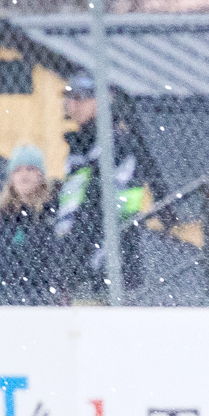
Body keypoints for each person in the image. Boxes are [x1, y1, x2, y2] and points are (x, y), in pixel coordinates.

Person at [53, 73, 146, 303]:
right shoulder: (82, 145)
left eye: (80, 97)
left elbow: (98, 209)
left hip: (106, 263)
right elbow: (75, 206)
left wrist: (74, 262)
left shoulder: (113, 144)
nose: (71, 104)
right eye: (69, 97)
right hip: (83, 263)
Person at [0, 142, 57, 306]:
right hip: (7, 299)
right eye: (18, 170)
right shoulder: (3, 215)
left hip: (44, 299)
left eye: (30, 169)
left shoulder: (50, 212)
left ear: (41, 175)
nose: (24, 175)